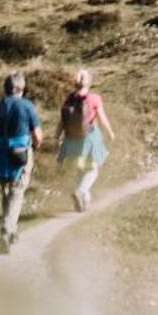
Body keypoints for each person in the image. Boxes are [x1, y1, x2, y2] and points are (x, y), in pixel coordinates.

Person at [0, 72, 41, 254]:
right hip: (21, 153)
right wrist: (36, 145)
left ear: (6, 88)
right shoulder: (28, 106)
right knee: (17, 191)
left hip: (1, 153)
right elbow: (38, 136)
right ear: (22, 88)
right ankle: (6, 229)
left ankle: (12, 229)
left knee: (6, 190)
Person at [58, 68, 115, 212]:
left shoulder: (69, 98)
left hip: (71, 139)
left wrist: (56, 135)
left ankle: (85, 203)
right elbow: (102, 118)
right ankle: (81, 191)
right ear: (89, 82)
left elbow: (62, 121)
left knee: (81, 168)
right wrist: (110, 132)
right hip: (89, 138)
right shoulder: (94, 98)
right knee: (93, 170)